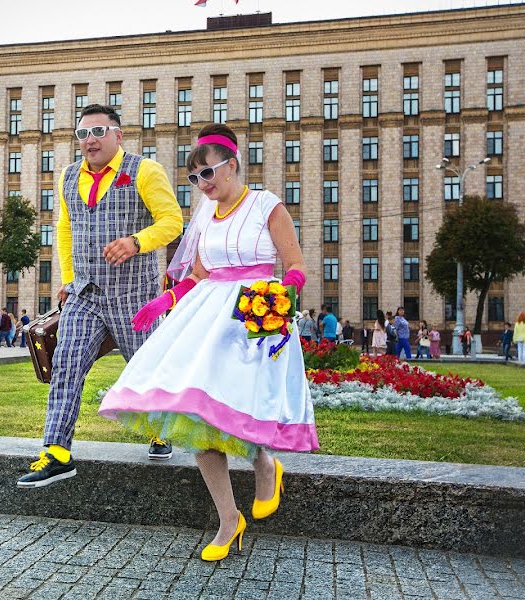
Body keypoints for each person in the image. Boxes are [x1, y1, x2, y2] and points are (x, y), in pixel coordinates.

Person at [99, 123, 317, 562]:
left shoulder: (266, 206)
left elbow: (294, 263)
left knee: (245, 408)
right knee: (195, 414)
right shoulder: (204, 217)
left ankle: (265, 465)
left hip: (255, 319)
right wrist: (164, 300)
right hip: (207, 321)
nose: (202, 184)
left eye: (208, 173)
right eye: (195, 178)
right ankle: (228, 519)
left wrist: (286, 292)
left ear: (232, 165)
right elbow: (198, 276)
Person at [17, 104, 183, 488]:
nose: (89, 141)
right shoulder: (68, 176)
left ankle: (162, 429)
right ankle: (57, 453)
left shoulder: (144, 170)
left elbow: (172, 220)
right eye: (82, 134)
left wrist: (135, 242)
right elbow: (64, 228)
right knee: (66, 365)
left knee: (147, 369)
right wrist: (69, 278)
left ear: (118, 135)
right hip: (85, 294)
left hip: (133, 295)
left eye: (98, 132)